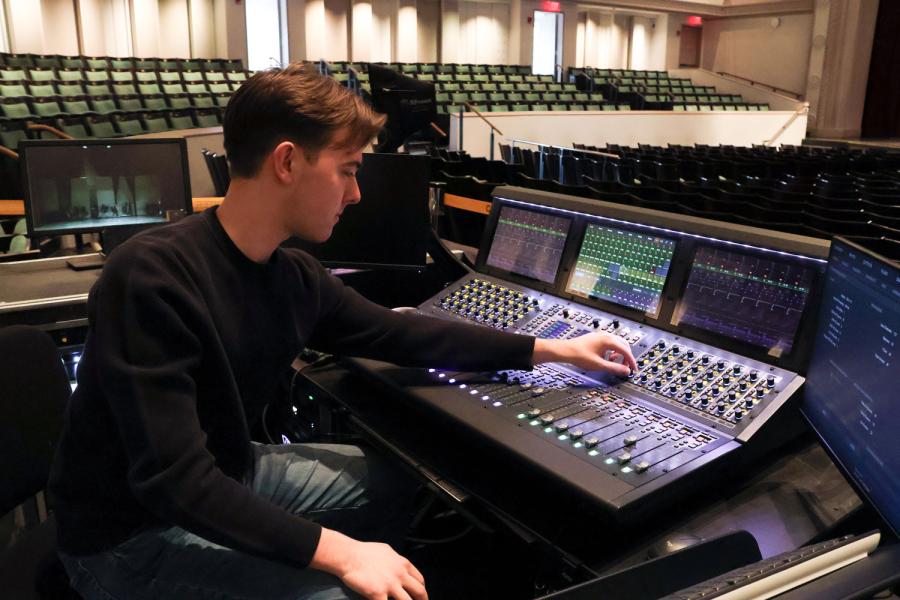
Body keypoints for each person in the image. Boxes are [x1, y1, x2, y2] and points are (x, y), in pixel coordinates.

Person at [48, 63, 638, 600]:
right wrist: (341, 554)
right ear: (287, 162)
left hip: (233, 472)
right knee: (350, 595)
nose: (356, 194)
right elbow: (176, 483)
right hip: (126, 538)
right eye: (348, 171)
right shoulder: (151, 277)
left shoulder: (292, 274)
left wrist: (550, 349)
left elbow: (400, 335)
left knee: (399, 485)